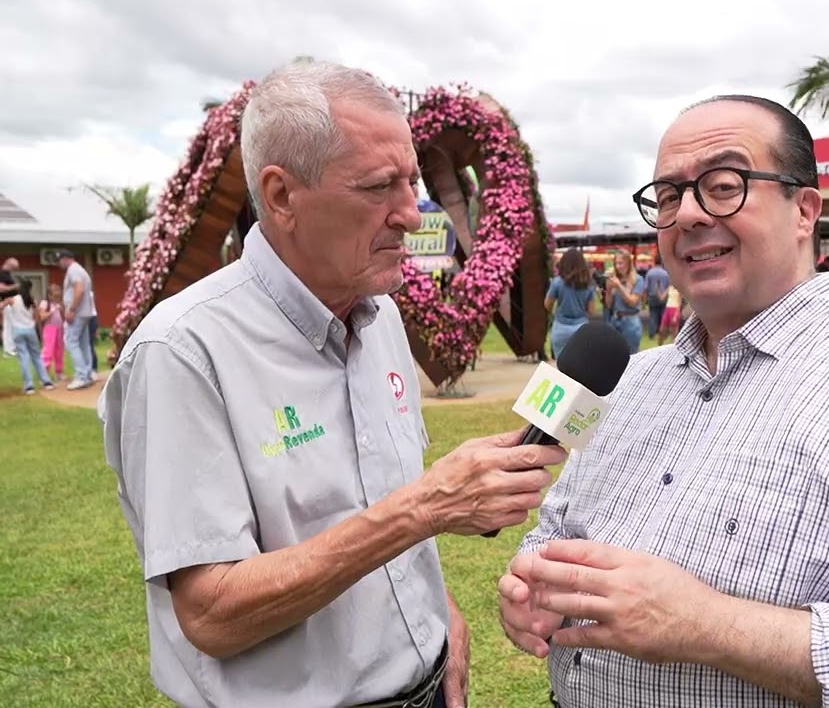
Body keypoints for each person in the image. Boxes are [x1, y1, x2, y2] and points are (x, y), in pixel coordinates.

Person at [498, 95, 829, 707]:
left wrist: (706, 625)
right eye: (667, 197)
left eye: (723, 186)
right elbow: (555, 528)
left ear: (804, 211)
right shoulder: (626, 379)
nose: (687, 214)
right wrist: (533, 584)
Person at [97, 58, 566, 708]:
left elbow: (378, 504)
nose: (412, 214)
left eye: (411, 181)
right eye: (378, 187)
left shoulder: (381, 318)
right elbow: (211, 615)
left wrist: (439, 617)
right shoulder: (183, 351)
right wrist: (425, 508)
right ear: (282, 196)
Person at [546, 248, 597, 359]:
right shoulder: (588, 284)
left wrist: (554, 312)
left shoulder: (557, 282)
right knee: (581, 364)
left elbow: (547, 305)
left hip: (560, 327)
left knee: (561, 365)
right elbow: (591, 311)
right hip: (581, 327)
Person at [57, 248, 97, 389]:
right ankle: (87, 374)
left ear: (65, 259)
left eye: (59, 260)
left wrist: (72, 309)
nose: (59, 264)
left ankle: (81, 376)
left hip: (77, 312)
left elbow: (79, 288)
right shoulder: (81, 269)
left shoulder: (73, 270)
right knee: (84, 344)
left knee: (71, 342)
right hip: (85, 312)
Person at [605, 250, 643, 353]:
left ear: (628, 263)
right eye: (616, 263)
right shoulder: (615, 279)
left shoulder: (638, 280)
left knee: (631, 355)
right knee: (613, 354)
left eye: (620, 263)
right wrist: (608, 290)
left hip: (630, 322)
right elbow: (608, 305)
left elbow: (632, 302)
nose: (617, 266)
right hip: (615, 320)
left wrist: (619, 286)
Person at [37, 284, 66, 382]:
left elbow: (63, 317)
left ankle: (59, 372)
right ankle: (43, 374)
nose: (57, 297)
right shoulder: (45, 303)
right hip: (49, 329)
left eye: (58, 296)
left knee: (59, 351)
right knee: (48, 351)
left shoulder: (59, 304)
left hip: (60, 329)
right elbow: (42, 317)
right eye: (55, 295)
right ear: (49, 295)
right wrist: (51, 311)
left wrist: (61, 310)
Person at [642, 252, 669, 339]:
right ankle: (662, 332)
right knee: (663, 315)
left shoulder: (650, 273)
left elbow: (645, 287)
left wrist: (644, 301)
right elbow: (669, 286)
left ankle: (652, 333)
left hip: (652, 296)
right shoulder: (666, 273)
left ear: (654, 261)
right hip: (664, 296)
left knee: (653, 315)